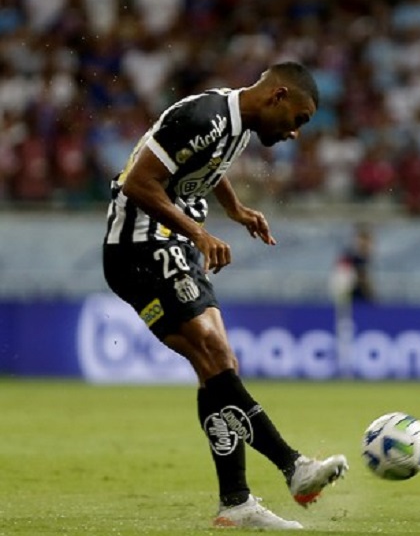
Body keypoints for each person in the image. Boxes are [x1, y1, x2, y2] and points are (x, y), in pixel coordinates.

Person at [102, 62, 349, 530]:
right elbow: (137, 181)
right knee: (214, 354)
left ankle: (235, 502)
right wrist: (199, 232)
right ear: (277, 96)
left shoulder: (236, 126)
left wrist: (234, 210)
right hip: (138, 246)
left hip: (171, 244)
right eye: (298, 119)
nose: (296, 133)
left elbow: (205, 167)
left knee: (218, 367)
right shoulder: (206, 116)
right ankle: (293, 466)